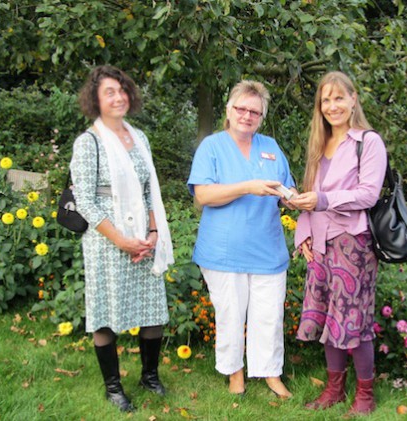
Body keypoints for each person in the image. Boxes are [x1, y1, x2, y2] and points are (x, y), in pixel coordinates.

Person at [70, 65, 174, 412]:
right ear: (95, 100)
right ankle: (113, 387)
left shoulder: (139, 137)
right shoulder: (89, 142)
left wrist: (154, 232)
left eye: (121, 90)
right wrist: (121, 240)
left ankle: (149, 376)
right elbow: (85, 200)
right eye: (109, 92)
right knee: (106, 314)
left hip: (143, 238)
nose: (118, 97)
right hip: (107, 241)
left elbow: (150, 191)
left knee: (153, 310)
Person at [187, 80, 295, 398]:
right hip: (224, 250)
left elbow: (284, 190)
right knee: (231, 314)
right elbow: (204, 194)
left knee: (269, 315)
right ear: (229, 110)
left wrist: (296, 200)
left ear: (261, 117)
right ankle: (235, 372)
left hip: (267, 248)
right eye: (241, 109)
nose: (247, 115)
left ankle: (270, 372)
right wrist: (247, 186)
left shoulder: (271, 148)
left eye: (255, 111)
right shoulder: (212, 147)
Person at [289, 71, 387, 416]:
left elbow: (368, 194)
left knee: (354, 320)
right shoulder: (320, 143)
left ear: (353, 98)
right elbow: (308, 196)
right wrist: (304, 234)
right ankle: (334, 390)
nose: (332, 106)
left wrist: (322, 200)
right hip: (320, 245)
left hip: (353, 243)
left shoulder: (367, 141)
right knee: (329, 318)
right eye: (325, 100)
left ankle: (365, 396)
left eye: (338, 98)